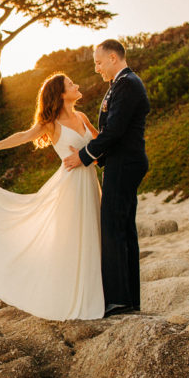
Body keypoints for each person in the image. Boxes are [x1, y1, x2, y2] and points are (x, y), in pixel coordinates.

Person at [0, 72, 104, 321]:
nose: (76, 84)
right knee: (73, 240)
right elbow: (24, 136)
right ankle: (71, 296)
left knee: (95, 234)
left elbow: (101, 141)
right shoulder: (51, 123)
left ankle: (97, 292)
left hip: (90, 182)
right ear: (60, 93)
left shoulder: (81, 116)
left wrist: (88, 152)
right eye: (71, 83)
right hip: (70, 187)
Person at [62, 39, 149, 317]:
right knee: (122, 228)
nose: (97, 68)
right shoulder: (121, 84)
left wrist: (85, 156)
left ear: (113, 58)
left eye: (98, 62)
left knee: (113, 228)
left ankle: (119, 300)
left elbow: (115, 131)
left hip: (125, 163)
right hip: (121, 162)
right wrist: (100, 156)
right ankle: (129, 298)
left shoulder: (127, 84)